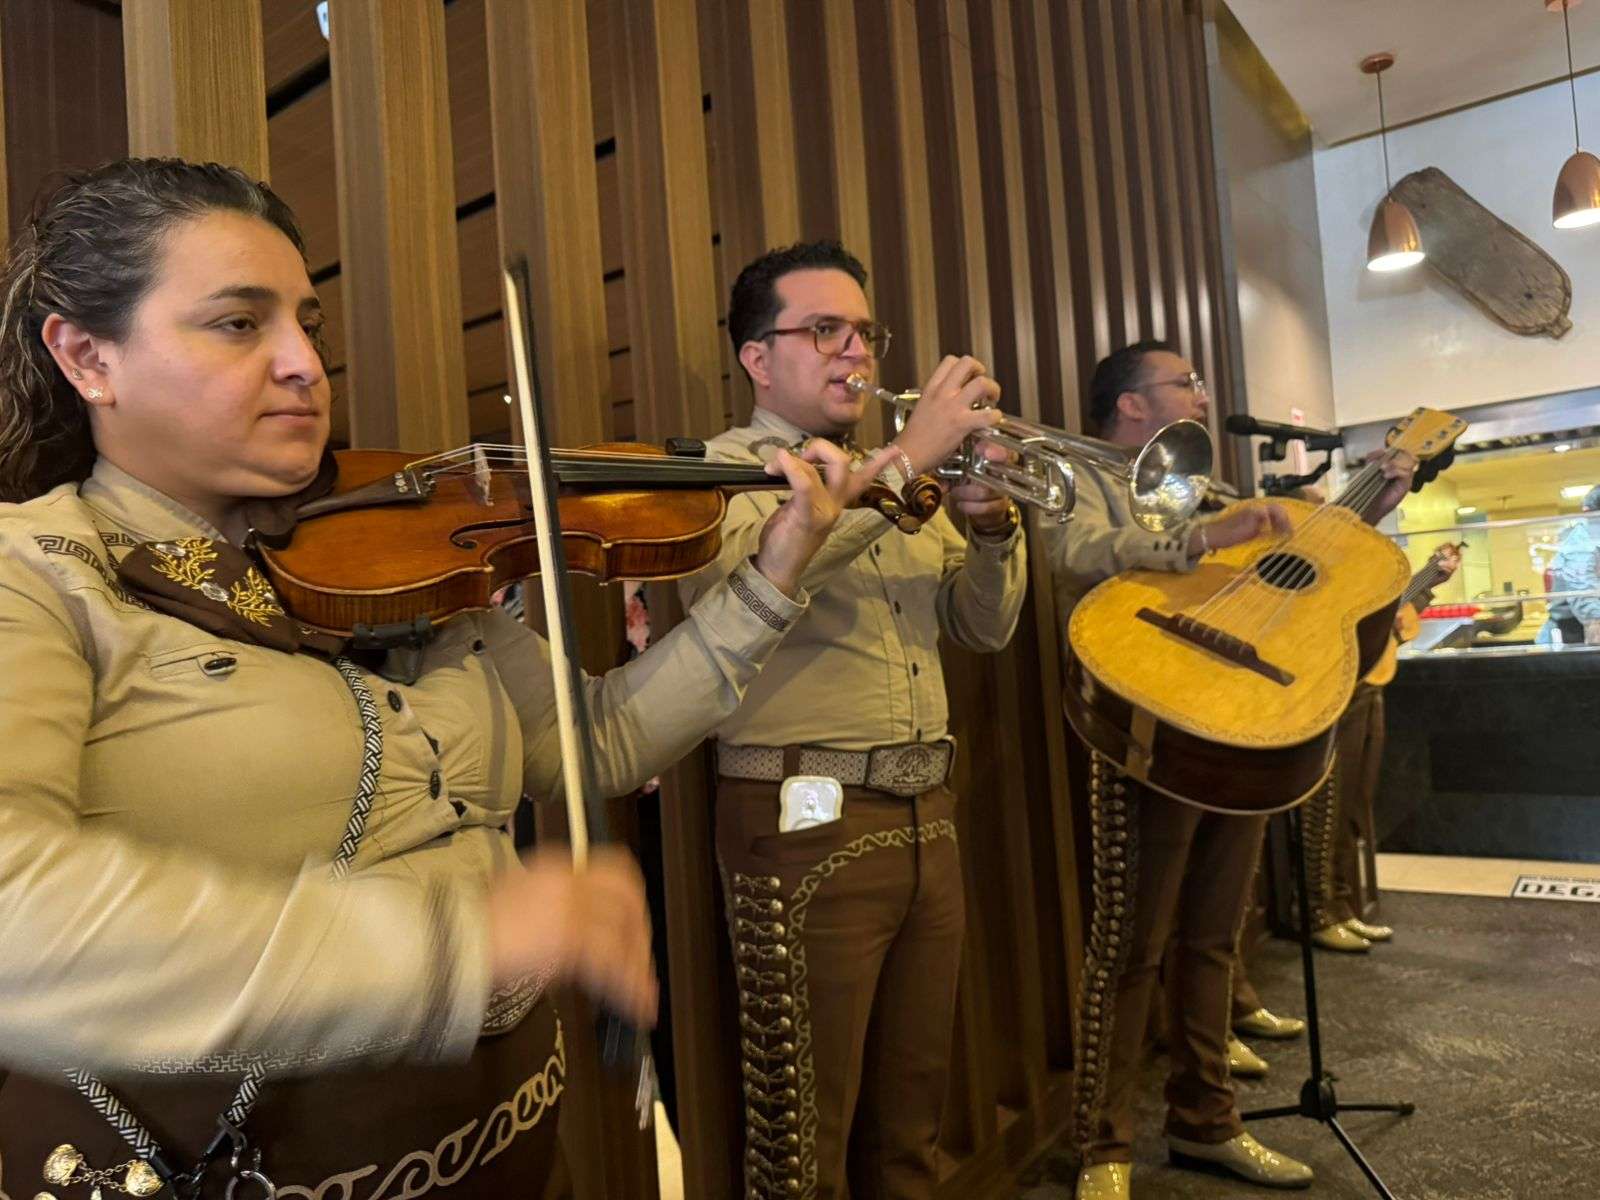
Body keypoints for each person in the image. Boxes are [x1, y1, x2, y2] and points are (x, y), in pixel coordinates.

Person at [0, 159, 971, 1199]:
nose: (303, 366)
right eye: (239, 325)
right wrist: (465, 942)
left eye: (308, 324)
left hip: (504, 1149)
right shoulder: (42, 577)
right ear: (88, 356)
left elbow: (595, 744)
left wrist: (774, 574)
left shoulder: (401, 550)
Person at [678, 240, 1028, 1199]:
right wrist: (908, 460)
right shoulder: (716, 474)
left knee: (912, 1122)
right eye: (822, 330)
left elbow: (983, 628)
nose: (854, 352)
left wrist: (992, 526)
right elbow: (756, 579)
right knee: (803, 1137)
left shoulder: (899, 482)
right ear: (758, 357)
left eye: (863, 331)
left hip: (930, 816)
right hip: (800, 820)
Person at [1042, 340, 1417, 1200]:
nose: (1203, 397)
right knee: (1128, 951)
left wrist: (1369, 508)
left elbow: (1295, 575)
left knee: (1214, 936)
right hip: (1147, 721)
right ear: (1131, 405)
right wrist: (1205, 536)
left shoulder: (1208, 484)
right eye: (1185, 383)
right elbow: (1072, 555)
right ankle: (1101, 1147)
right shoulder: (1081, 472)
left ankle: (1207, 1123)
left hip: (1244, 720)